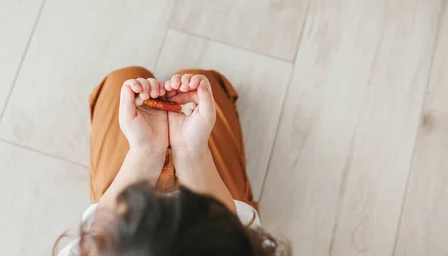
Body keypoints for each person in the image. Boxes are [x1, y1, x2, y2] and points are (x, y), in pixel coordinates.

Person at [55, 67, 290, 256]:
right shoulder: (235, 239)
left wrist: (145, 152)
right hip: (220, 199)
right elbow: (233, 224)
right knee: (206, 82)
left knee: (122, 80)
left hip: (119, 198)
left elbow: (99, 228)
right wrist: (191, 151)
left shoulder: (99, 241)